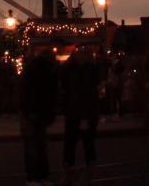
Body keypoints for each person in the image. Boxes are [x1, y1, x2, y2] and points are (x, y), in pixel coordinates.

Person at [61, 43, 102, 184]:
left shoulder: (88, 71)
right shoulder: (73, 70)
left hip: (84, 112)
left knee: (86, 143)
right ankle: (71, 171)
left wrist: (86, 115)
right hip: (75, 112)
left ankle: (87, 173)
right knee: (71, 144)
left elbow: (88, 95)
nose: (81, 56)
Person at [19, 43, 59, 186]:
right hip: (36, 112)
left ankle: (35, 177)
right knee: (37, 147)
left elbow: (26, 93)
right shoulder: (47, 71)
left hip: (31, 112)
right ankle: (37, 176)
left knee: (34, 147)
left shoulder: (32, 69)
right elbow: (46, 95)